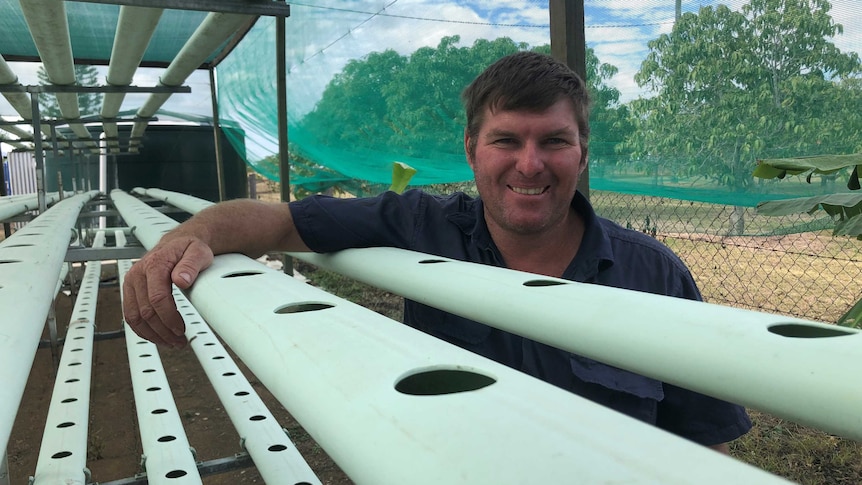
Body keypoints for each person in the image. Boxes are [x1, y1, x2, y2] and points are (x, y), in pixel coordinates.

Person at [122, 51, 751, 452]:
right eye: (507, 140)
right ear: (473, 150)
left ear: (582, 153)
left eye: (554, 141)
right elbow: (275, 222)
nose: (530, 164)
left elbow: (702, 441)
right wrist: (184, 239)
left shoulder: (652, 273)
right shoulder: (421, 223)